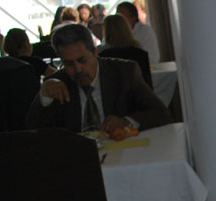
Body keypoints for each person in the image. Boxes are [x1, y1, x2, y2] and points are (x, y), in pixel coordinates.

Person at [25, 23, 170, 134]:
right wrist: (44, 97)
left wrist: (126, 121)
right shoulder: (57, 83)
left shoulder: (124, 72)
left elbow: (161, 113)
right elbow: (32, 131)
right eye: (68, 63)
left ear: (94, 53)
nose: (77, 69)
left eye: (82, 60)